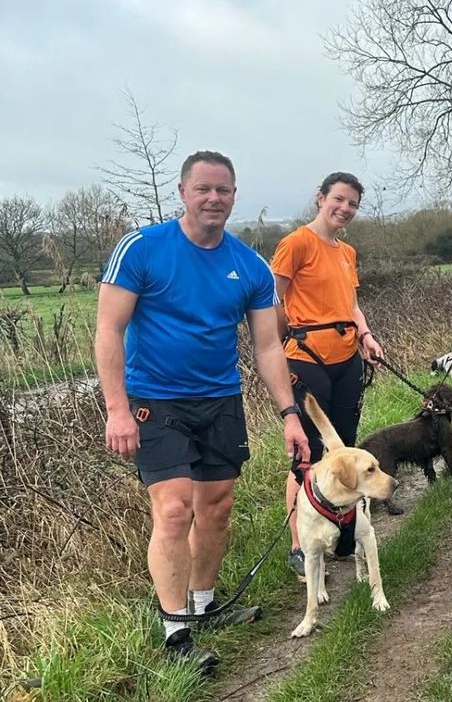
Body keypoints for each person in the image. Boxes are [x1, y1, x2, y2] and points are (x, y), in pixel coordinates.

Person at [96, 151, 310, 674]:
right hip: (155, 400)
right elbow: (108, 330)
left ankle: (202, 604)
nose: (214, 199)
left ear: (234, 195)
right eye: (203, 189)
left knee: (216, 506)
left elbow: (266, 347)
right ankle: (175, 634)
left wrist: (289, 413)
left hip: (220, 398)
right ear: (183, 192)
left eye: (224, 190)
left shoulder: (249, 265)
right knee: (173, 509)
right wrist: (117, 409)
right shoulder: (143, 249)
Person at [271, 171, 384, 577]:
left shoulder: (347, 252)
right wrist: (283, 345)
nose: (345, 208)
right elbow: (272, 299)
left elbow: (350, 304)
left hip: (347, 358)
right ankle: (301, 542)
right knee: (307, 457)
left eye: (352, 203)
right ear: (320, 198)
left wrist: (366, 335)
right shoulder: (297, 243)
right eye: (339, 199)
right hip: (306, 359)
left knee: (345, 452)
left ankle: (343, 530)